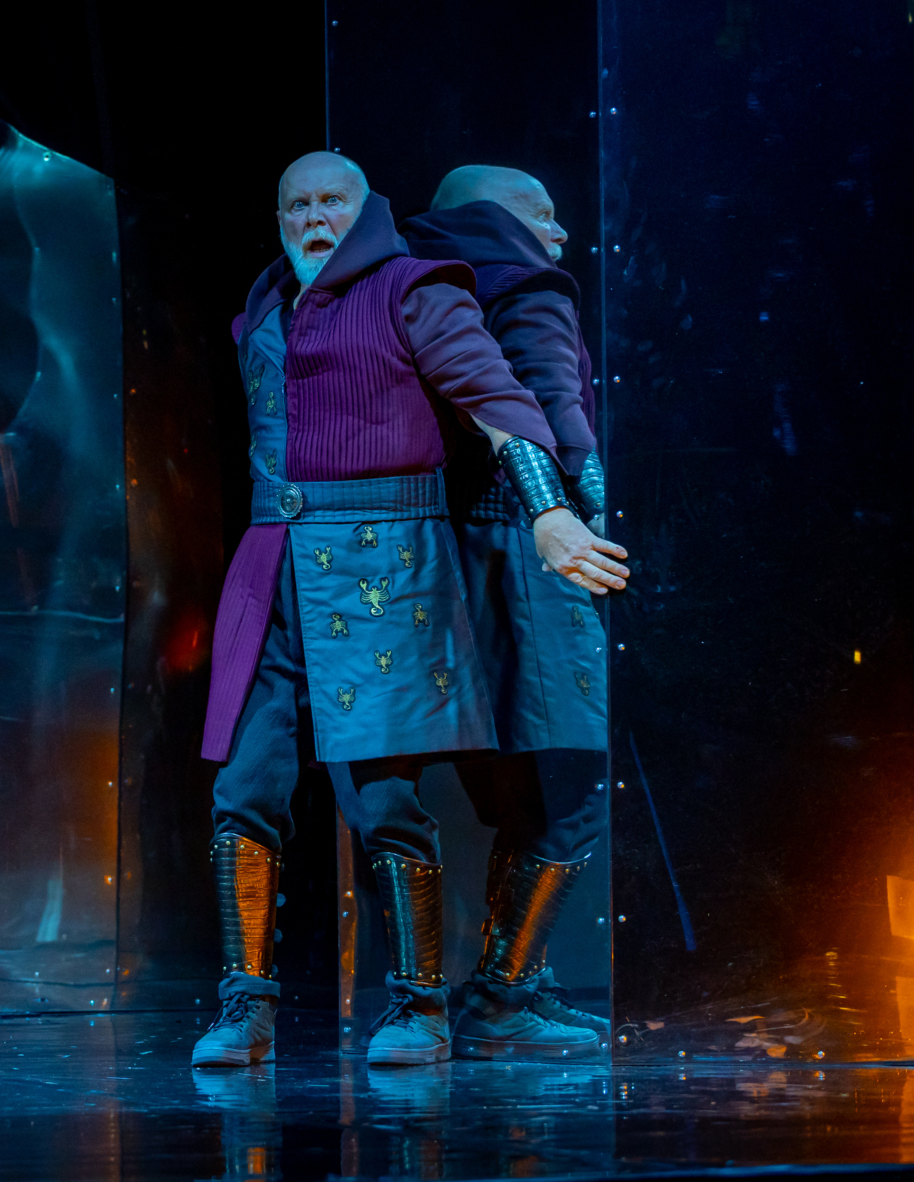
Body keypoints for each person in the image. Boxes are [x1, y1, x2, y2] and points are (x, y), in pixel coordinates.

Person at [190, 153, 628, 1070]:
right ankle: (245, 1009)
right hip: (272, 565)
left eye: (333, 202)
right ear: (278, 217)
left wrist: (552, 512)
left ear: (367, 210)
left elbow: (500, 398)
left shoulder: (415, 286)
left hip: (380, 567)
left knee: (384, 794)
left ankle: (420, 1007)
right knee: (244, 788)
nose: (315, 219)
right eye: (298, 204)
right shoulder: (265, 304)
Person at [399, 166, 618, 1059]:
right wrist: (591, 509)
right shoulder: (525, 283)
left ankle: (512, 987)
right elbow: (554, 407)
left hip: (433, 566)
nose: (560, 236)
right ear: (492, 217)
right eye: (545, 214)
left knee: (511, 789)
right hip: (522, 560)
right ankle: (501, 1000)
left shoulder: (405, 287)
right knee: (571, 782)